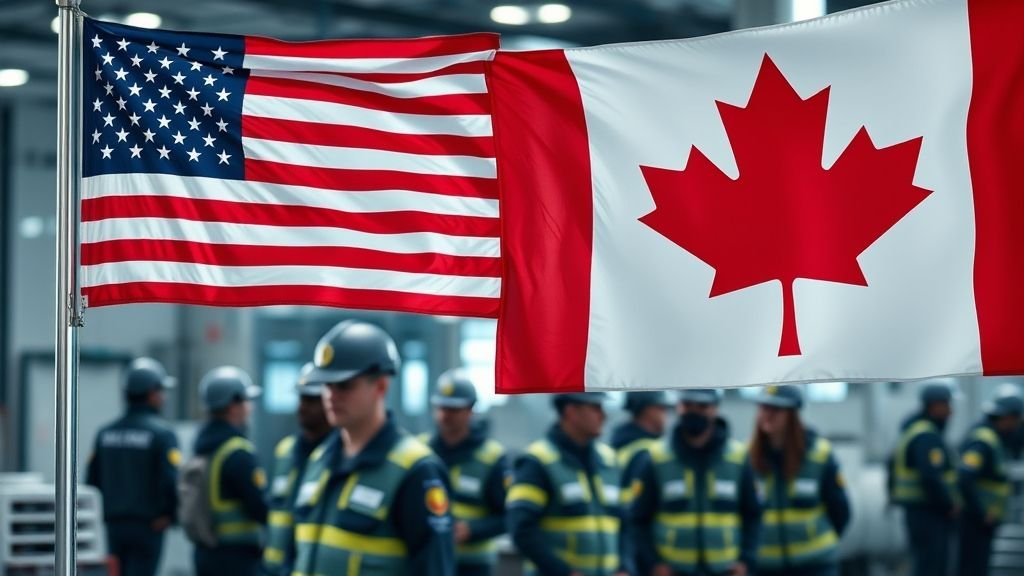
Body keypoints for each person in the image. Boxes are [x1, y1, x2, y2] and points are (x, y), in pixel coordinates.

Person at [289, 319, 455, 575]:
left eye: (344, 385)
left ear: (380, 386)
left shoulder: (416, 470)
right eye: (326, 384)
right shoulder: (319, 460)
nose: (331, 395)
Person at [628, 389, 760, 576]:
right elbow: (638, 520)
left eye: (702, 406)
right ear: (678, 406)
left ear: (715, 409)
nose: (694, 411)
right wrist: (653, 564)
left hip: (725, 571)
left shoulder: (737, 458)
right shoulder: (656, 458)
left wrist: (746, 561)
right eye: (687, 405)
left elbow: (753, 515)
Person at [507, 392, 627, 576]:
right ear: (571, 411)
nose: (603, 415)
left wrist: (624, 567)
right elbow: (521, 529)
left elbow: (626, 523)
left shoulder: (609, 461)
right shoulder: (536, 461)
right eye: (596, 407)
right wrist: (563, 572)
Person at [87, 357, 179, 576]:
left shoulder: (105, 433)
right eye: (162, 391)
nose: (164, 397)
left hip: (114, 527)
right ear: (152, 392)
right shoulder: (162, 434)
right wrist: (170, 515)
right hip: (149, 526)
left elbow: (92, 481)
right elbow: (170, 480)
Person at [748, 385, 850, 576]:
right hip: (764, 567)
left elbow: (841, 511)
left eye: (776, 409)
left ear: (792, 415)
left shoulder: (819, 455)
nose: (766, 415)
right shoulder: (746, 458)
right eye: (763, 408)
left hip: (815, 565)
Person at [423, 369, 510, 576]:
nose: (445, 415)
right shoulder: (419, 452)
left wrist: (473, 530)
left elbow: (509, 516)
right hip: (426, 561)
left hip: (473, 566)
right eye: (441, 407)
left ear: (470, 410)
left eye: (453, 409)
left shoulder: (492, 457)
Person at [192, 366, 268, 576]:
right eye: (246, 401)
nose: (250, 408)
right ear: (233, 406)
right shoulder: (238, 453)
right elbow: (260, 508)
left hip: (206, 554)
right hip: (237, 559)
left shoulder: (203, 446)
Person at [263, 362, 332, 575]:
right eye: (301, 398)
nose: (302, 407)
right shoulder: (285, 451)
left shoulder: (338, 457)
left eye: (312, 400)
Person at [891, 381, 959, 576]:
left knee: (925, 564)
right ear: (935, 405)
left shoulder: (916, 430)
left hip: (921, 513)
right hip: (929, 513)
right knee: (932, 567)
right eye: (947, 405)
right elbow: (931, 477)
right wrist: (949, 505)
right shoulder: (926, 436)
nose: (951, 412)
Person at [957, 384, 1024, 576]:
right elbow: (965, 477)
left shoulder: (994, 437)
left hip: (981, 519)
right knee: (973, 568)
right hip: (975, 519)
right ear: (1009, 417)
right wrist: (981, 512)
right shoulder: (984, 441)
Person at [610, 391, 673, 468]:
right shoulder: (647, 453)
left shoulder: (620, 447)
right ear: (646, 410)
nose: (666, 414)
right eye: (661, 408)